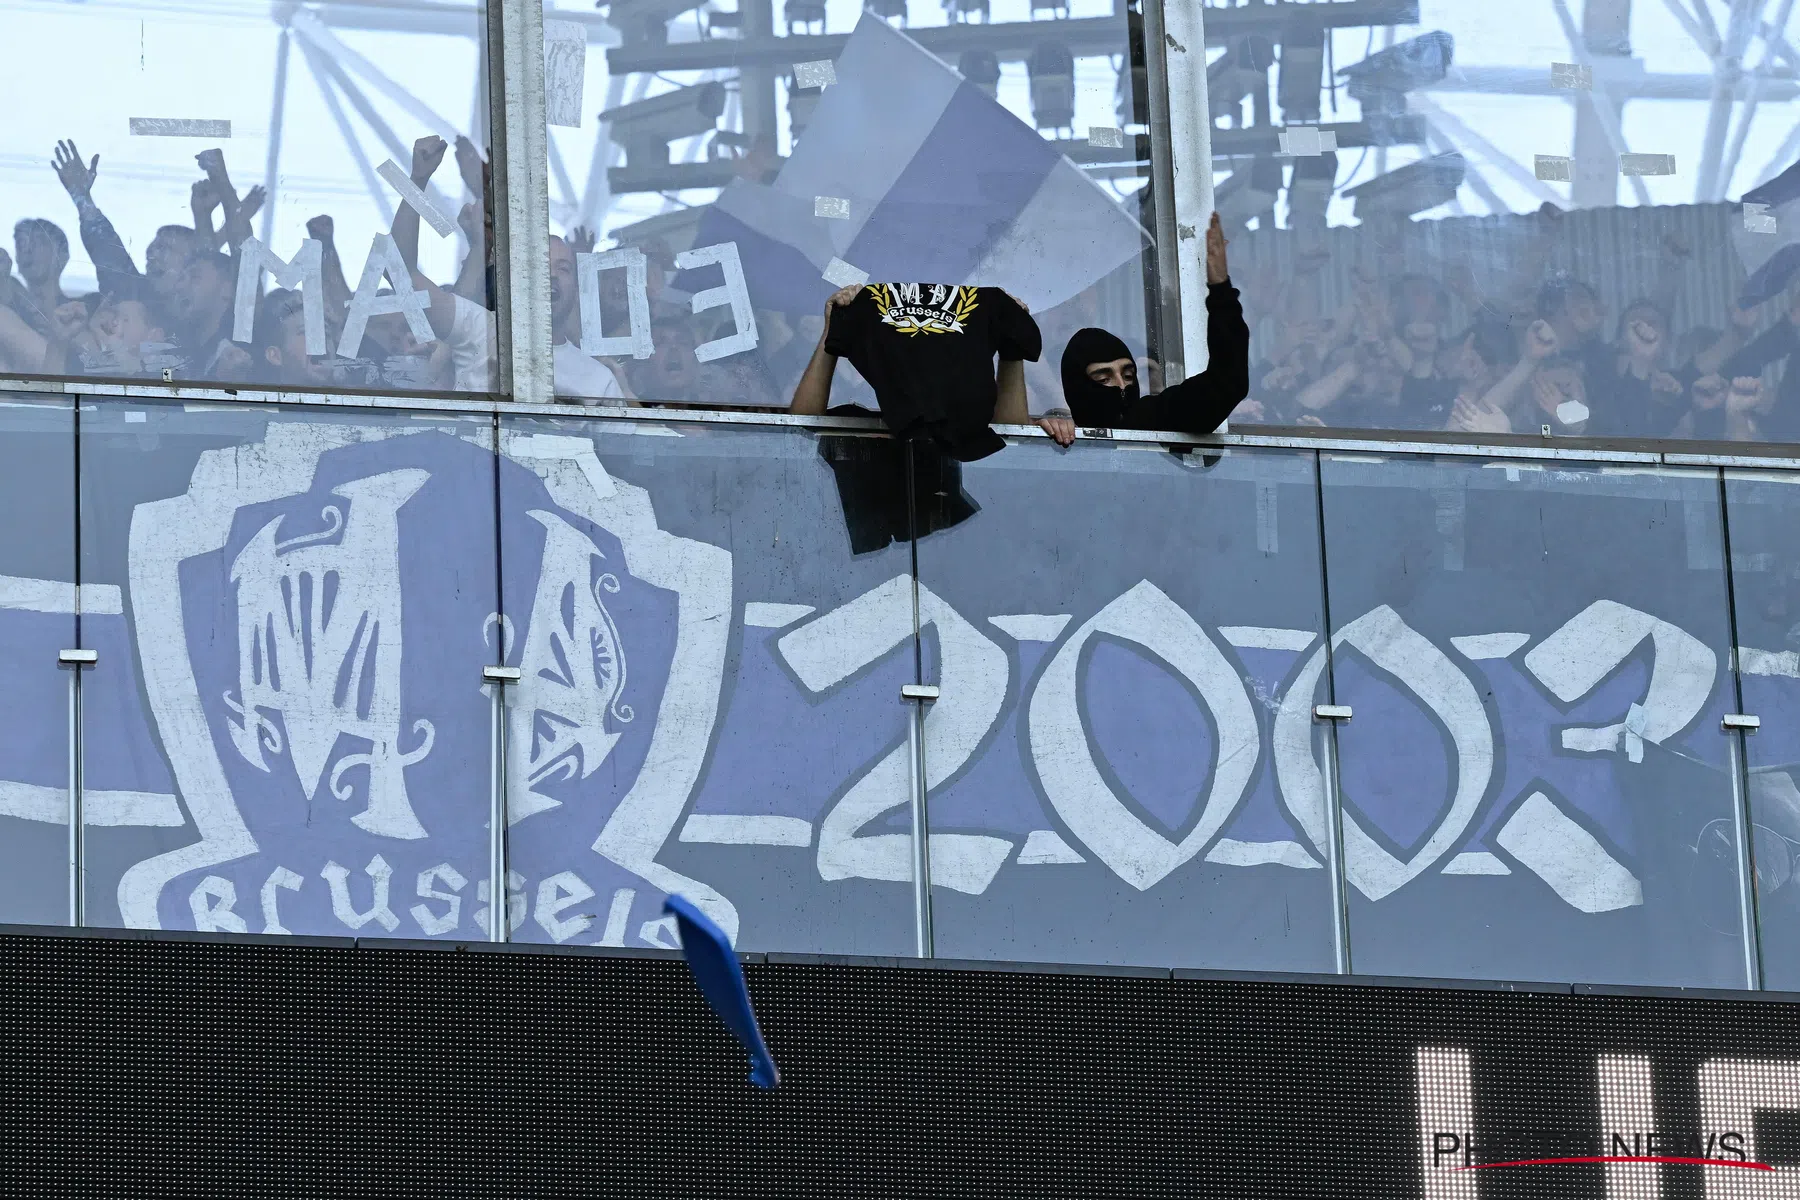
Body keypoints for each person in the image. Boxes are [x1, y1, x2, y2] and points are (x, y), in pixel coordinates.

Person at [1038, 212, 1249, 445]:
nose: (1121, 386)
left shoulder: (1154, 419)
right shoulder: (1064, 439)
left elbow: (1228, 381)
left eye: (1128, 375)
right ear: (1078, 387)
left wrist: (1220, 289)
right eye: (1104, 378)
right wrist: (1048, 430)